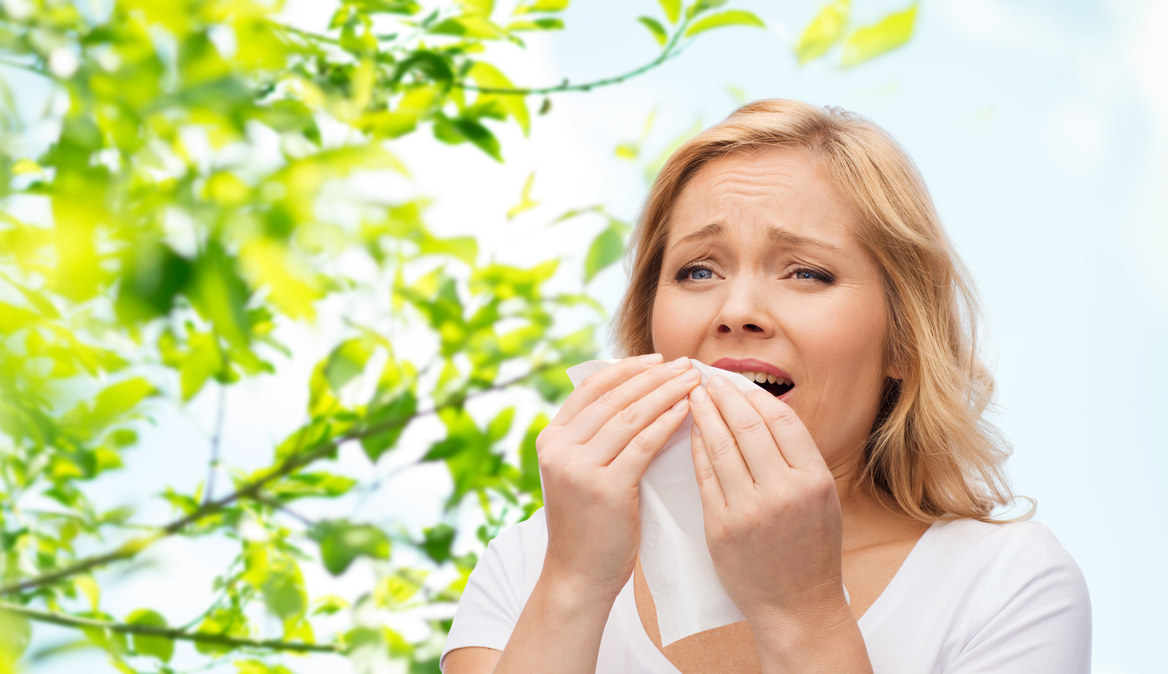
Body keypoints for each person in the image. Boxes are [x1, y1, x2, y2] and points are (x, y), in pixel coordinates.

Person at [441, 99, 1091, 673]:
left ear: (902, 340)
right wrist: (575, 583)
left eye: (805, 272)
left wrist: (802, 615)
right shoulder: (534, 558)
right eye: (697, 271)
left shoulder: (1006, 583)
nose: (735, 309)